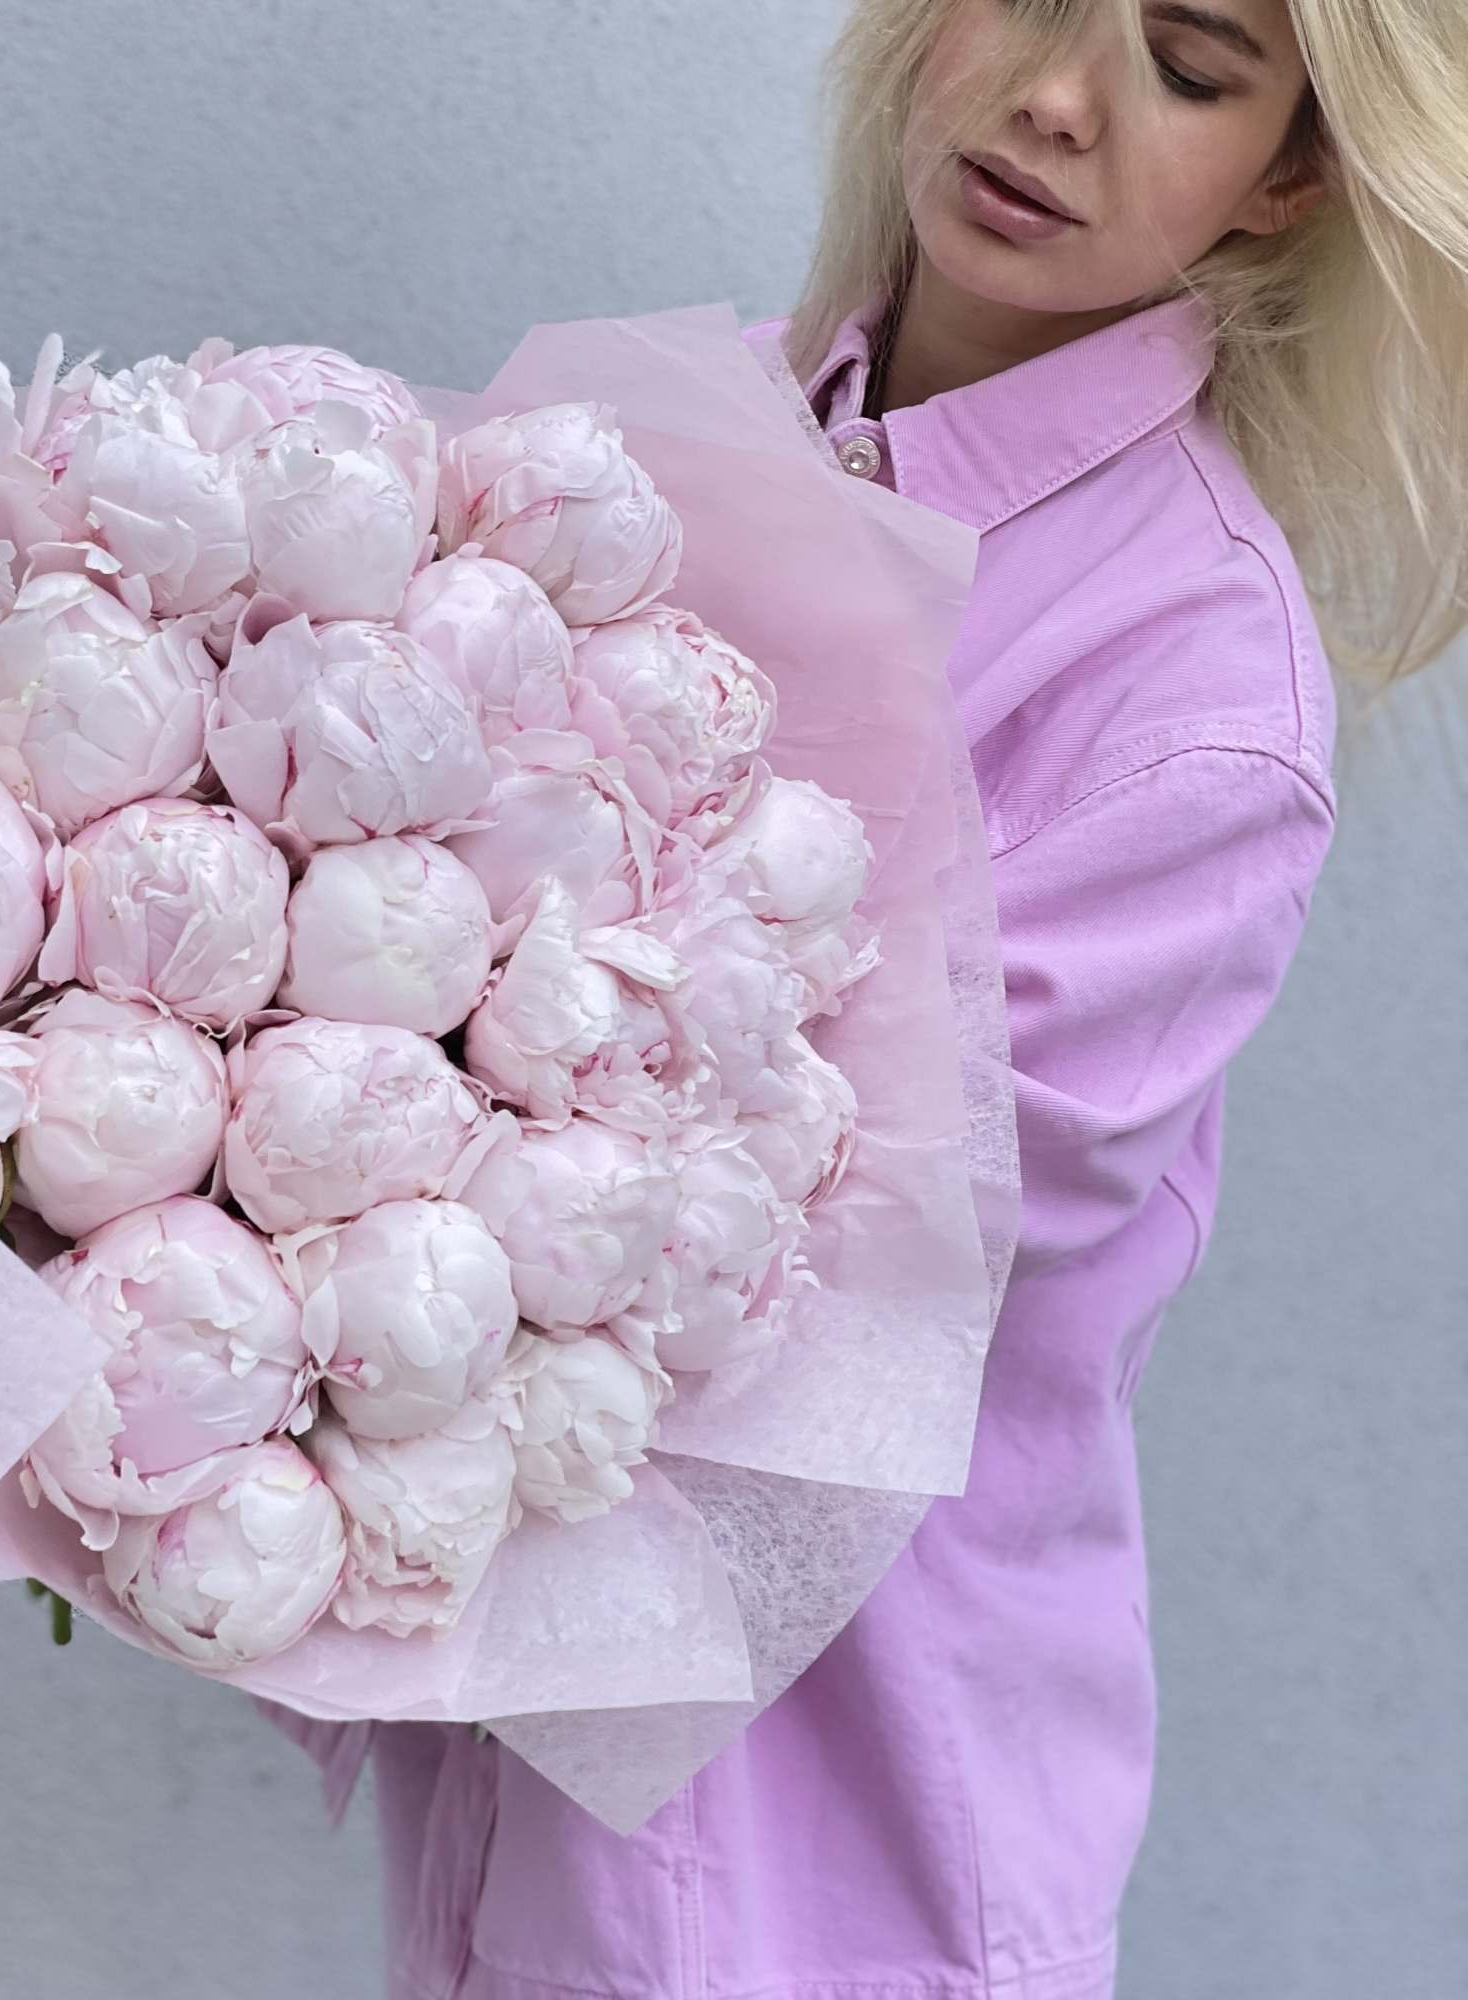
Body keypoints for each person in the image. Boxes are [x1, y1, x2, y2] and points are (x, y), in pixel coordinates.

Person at [275, 2, 1466, 1994]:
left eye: (1186, 60)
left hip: (837, 1836)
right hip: (524, 1782)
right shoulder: (677, 447)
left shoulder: (1192, 701)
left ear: (1288, 176)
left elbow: (832, 1271)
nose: (1057, 100)